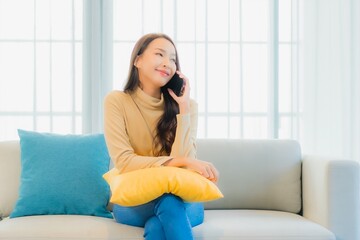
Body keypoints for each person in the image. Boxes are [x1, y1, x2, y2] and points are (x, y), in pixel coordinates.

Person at [103, 33, 219, 240]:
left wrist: (183, 110)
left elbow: (183, 172)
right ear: (137, 60)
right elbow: (125, 162)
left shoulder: (188, 107)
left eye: (173, 59)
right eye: (160, 54)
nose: (168, 64)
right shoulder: (117, 102)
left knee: (161, 220)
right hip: (135, 201)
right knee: (167, 206)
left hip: (181, 200)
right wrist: (181, 160)